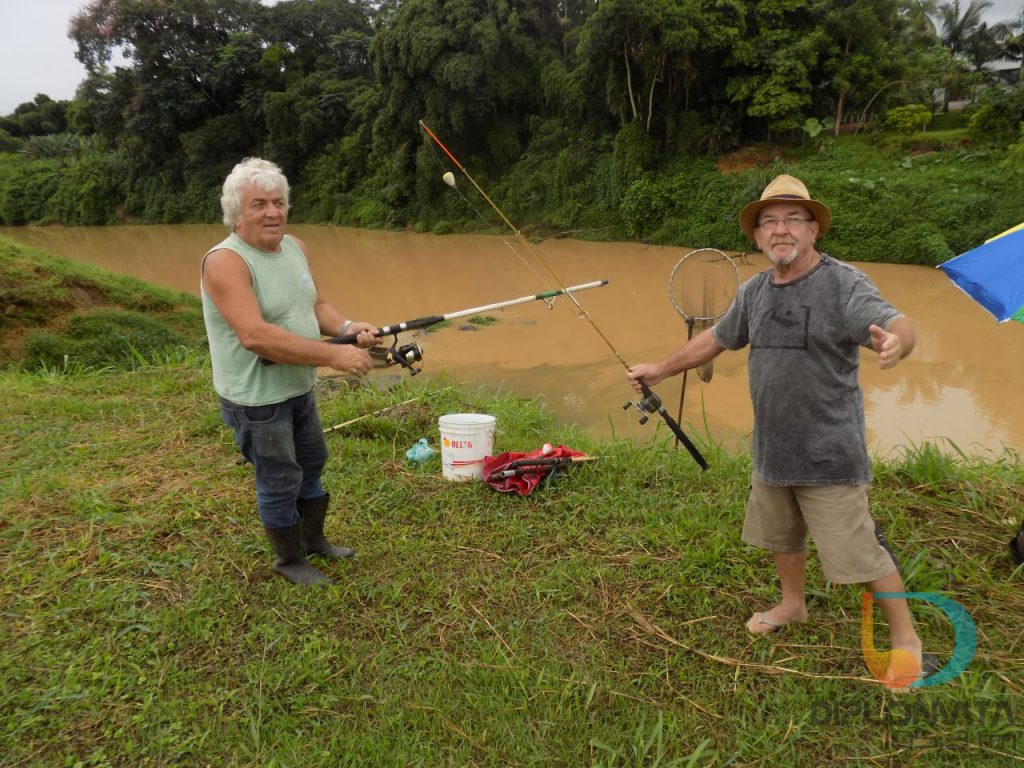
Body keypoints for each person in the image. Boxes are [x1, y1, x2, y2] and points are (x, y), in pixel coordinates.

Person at [627, 174, 926, 688]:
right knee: (783, 537)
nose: (780, 230)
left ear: (813, 230)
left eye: (792, 219)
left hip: (830, 454)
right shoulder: (754, 291)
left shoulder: (842, 283)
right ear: (758, 236)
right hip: (772, 449)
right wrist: (660, 368)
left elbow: (896, 321)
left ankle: (906, 639)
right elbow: (716, 342)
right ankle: (793, 604)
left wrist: (898, 342)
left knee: (861, 552)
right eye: (769, 221)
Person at [201, 157, 381, 586]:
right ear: (235, 214)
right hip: (257, 399)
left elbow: (314, 305)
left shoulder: (295, 247)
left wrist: (346, 328)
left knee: (313, 460)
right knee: (279, 477)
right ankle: (289, 560)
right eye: (259, 204)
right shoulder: (225, 262)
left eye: (278, 202)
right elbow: (255, 336)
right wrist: (333, 356)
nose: (272, 213)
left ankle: (312, 538)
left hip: (297, 384)